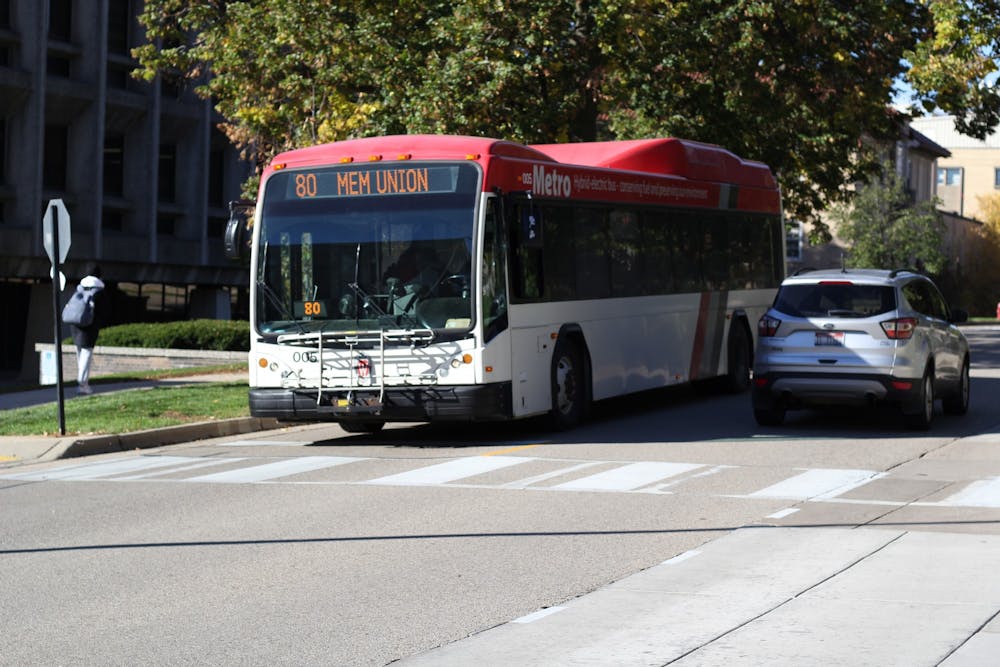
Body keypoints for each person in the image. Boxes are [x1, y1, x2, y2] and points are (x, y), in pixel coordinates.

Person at [69, 264, 108, 395]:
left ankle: (82, 382)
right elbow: (103, 312)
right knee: (86, 353)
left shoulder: (80, 288)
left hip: (75, 324)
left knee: (80, 353)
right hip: (90, 327)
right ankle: (82, 384)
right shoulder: (100, 291)